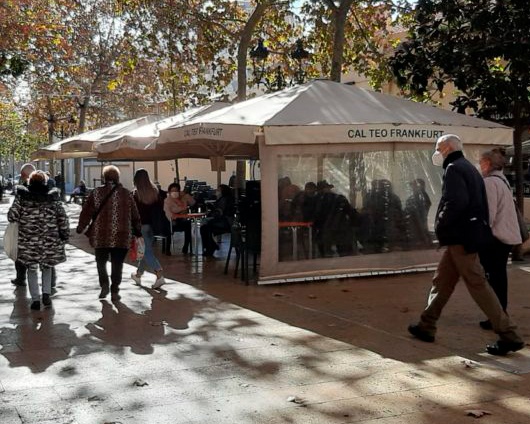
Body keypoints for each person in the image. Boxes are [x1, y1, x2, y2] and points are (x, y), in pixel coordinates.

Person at [408, 134, 525, 356]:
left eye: (439, 148)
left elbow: (456, 202)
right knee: (442, 281)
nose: (437, 152)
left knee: (477, 284)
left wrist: (441, 222)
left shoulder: (454, 168)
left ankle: (509, 335)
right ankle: (426, 324)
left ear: (448, 148)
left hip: (460, 238)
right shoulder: (469, 168)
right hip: (464, 237)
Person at [77, 165, 142, 300]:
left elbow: (86, 211)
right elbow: (135, 214)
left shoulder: (96, 193)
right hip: (122, 235)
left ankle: (104, 284)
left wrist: (81, 226)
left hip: (101, 234)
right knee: (117, 263)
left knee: (101, 261)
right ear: (118, 177)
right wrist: (138, 230)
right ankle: (115, 290)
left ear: (104, 177)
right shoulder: (126, 194)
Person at [7, 170, 69, 310]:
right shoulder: (53, 198)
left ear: (30, 181)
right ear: (45, 182)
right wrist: (64, 234)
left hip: (29, 241)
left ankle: (35, 299)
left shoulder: (22, 198)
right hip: (49, 240)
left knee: (32, 268)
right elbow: (62, 218)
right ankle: (46, 294)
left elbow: (12, 216)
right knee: (47, 267)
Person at [477, 149, 522, 330]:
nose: (479, 165)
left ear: (487, 163)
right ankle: (499, 313)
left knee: (493, 278)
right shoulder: (502, 180)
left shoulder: (489, 183)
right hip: (506, 237)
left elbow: (489, 213)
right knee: (499, 277)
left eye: (481, 162)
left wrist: (481, 234)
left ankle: (497, 316)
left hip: (495, 238)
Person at [130, 169, 166, 289]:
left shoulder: (135, 195)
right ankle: (138, 275)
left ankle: (159, 275)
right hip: (153, 227)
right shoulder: (156, 192)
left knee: (147, 252)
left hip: (141, 227)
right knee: (145, 251)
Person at [10, 163, 36, 287]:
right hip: (43, 231)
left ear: (23, 175)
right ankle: (49, 284)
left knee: (20, 255)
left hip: (24, 231)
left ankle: (21, 278)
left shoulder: (22, 191)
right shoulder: (47, 189)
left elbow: (13, 214)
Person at [200, 184, 234, 256]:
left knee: (205, 227)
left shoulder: (224, 200)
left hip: (225, 222)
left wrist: (212, 211)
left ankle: (210, 247)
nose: (216, 191)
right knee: (204, 227)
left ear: (223, 192)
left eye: (218, 190)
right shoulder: (222, 199)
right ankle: (211, 246)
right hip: (223, 221)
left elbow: (219, 213)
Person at [163, 182, 195, 254]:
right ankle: (168, 249)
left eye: (176, 191)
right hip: (171, 221)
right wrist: (181, 215)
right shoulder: (167, 201)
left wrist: (186, 195)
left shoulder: (183, 198)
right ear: (169, 192)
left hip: (182, 219)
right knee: (170, 224)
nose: (174, 192)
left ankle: (186, 246)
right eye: (172, 191)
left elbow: (193, 203)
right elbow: (169, 214)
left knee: (188, 223)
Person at [404, 178, 432, 249]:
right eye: (412, 186)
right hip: (416, 227)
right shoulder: (413, 198)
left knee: (422, 229)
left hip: (419, 225)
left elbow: (425, 206)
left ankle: (425, 243)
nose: (412, 188)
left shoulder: (422, 197)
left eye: (414, 185)